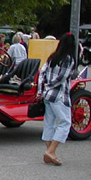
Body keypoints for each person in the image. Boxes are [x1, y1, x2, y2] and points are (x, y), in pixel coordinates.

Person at [37, 33, 76, 166]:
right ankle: (51, 151)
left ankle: (49, 151)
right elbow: (62, 78)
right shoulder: (69, 59)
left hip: (47, 95)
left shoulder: (52, 57)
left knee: (49, 123)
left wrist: (42, 90)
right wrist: (50, 86)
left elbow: (42, 73)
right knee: (65, 123)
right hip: (59, 95)